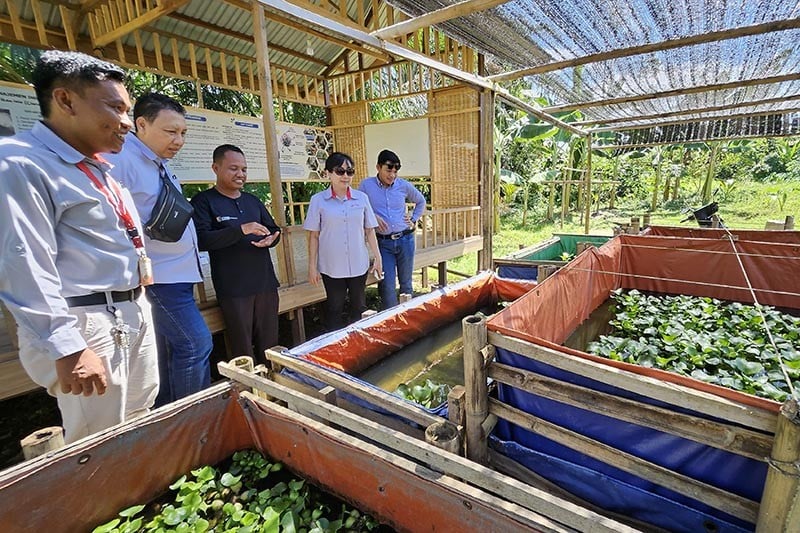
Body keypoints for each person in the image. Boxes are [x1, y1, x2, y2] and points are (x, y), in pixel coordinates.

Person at [0, 50, 158, 443]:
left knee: (139, 418)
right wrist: (68, 347)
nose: (125, 123)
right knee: (97, 438)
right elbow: (23, 262)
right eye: (114, 108)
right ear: (65, 100)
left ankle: (143, 500)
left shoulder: (97, 167)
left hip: (129, 309)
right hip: (86, 321)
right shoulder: (21, 164)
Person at [105, 93, 212, 406]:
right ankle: (195, 416)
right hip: (158, 279)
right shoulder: (121, 161)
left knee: (169, 351)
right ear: (141, 124)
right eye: (170, 132)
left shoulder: (159, 165)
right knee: (196, 344)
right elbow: (111, 222)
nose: (178, 140)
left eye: (183, 133)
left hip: (177, 275)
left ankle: (169, 409)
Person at [191, 145, 281, 363]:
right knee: (242, 349)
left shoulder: (252, 201)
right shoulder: (204, 202)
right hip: (234, 288)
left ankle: (276, 391)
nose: (240, 174)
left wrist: (272, 238)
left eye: (244, 169)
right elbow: (202, 240)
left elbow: (274, 228)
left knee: (270, 345)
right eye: (233, 168)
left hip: (265, 283)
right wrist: (242, 229)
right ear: (215, 168)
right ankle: (247, 392)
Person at [303, 152, 382, 331]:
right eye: (340, 171)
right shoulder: (318, 201)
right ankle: (333, 346)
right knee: (334, 308)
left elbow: (369, 230)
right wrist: (312, 266)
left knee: (359, 306)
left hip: (358, 264)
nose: (345, 176)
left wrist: (378, 258)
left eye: (350, 171)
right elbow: (313, 236)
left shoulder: (362, 198)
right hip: (331, 266)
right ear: (328, 173)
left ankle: (359, 343)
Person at [359, 149, 426, 309]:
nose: (392, 175)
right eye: (389, 169)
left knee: (406, 283)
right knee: (388, 287)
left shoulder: (403, 185)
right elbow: (357, 207)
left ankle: (409, 318)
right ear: (378, 167)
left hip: (406, 239)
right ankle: (392, 323)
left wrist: (413, 218)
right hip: (383, 243)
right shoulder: (366, 185)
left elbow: (421, 201)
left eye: (395, 171)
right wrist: (372, 216)